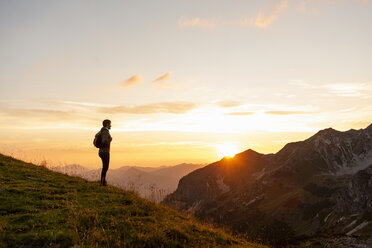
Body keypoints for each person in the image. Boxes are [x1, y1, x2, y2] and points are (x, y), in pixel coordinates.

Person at [99, 119, 112, 186]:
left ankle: (103, 181)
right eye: (110, 124)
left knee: (105, 167)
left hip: (101, 151)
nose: (111, 126)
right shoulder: (105, 132)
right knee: (105, 167)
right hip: (105, 152)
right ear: (107, 124)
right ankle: (102, 182)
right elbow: (104, 141)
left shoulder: (102, 130)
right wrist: (109, 139)